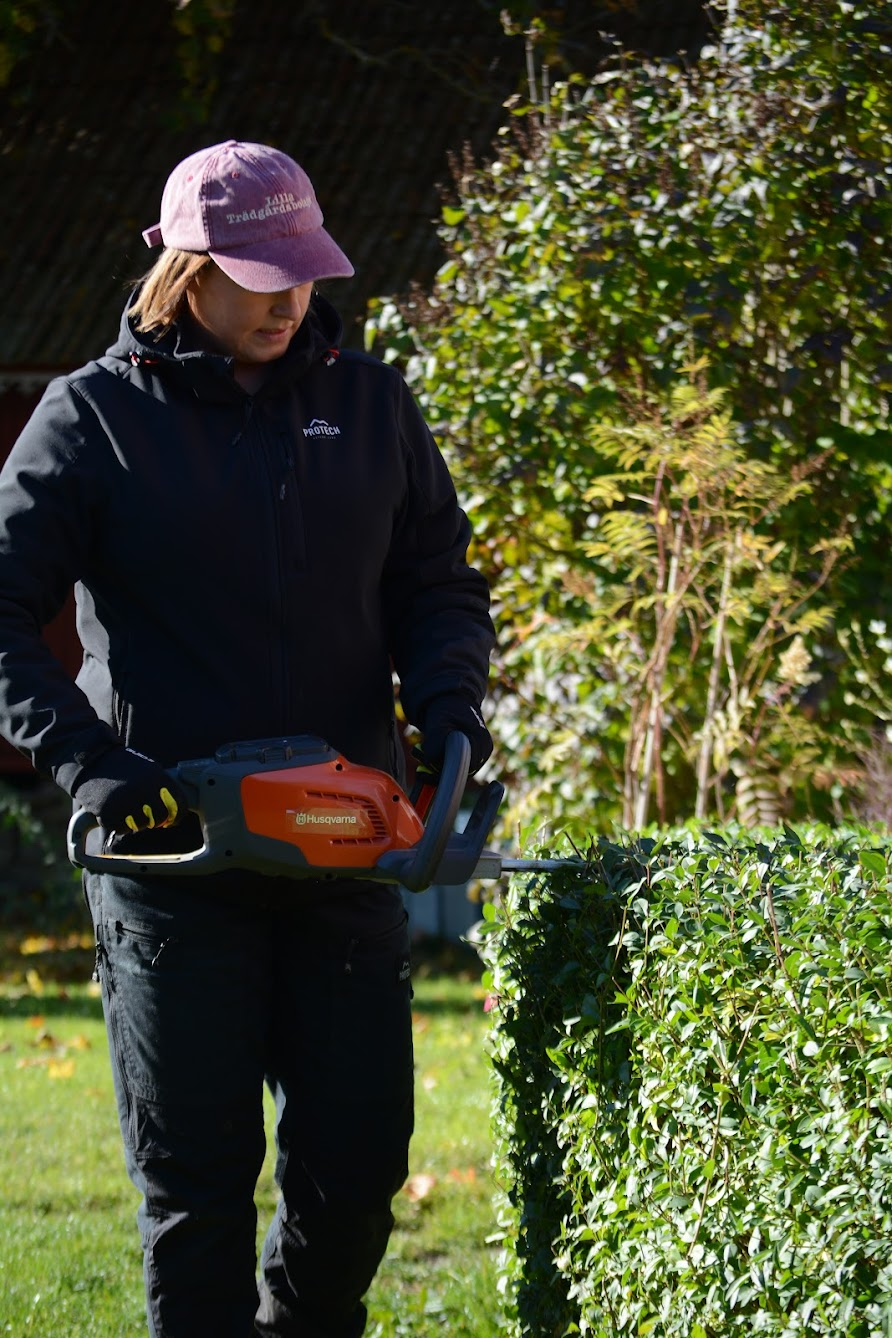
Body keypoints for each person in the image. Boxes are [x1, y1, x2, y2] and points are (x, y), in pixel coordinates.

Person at [0, 139, 495, 1337]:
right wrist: (98, 773)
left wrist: (444, 715)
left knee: (358, 1174)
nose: (286, 301)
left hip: (342, 854)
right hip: (173, 873)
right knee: (197, 1197)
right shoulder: (94, 420)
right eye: (256, 276)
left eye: (302, 274)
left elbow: (437, 580)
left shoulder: (369, 407)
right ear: (186, 269)